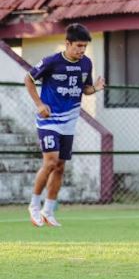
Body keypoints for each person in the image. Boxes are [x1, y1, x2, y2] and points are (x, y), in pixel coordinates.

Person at [26, 23, 105, 227]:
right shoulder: (52, 62)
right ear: (67, 43)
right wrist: (39, 104)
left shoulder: (86, 64)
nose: (81, 50)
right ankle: (34, 206)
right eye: (78, 46)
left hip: (69, 121)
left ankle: (48, 211)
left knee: (60, 167)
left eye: (84, 47)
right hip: (49, 119)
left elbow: (85, 89)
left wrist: (95, 88)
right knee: (50, 162)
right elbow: (28, 78)